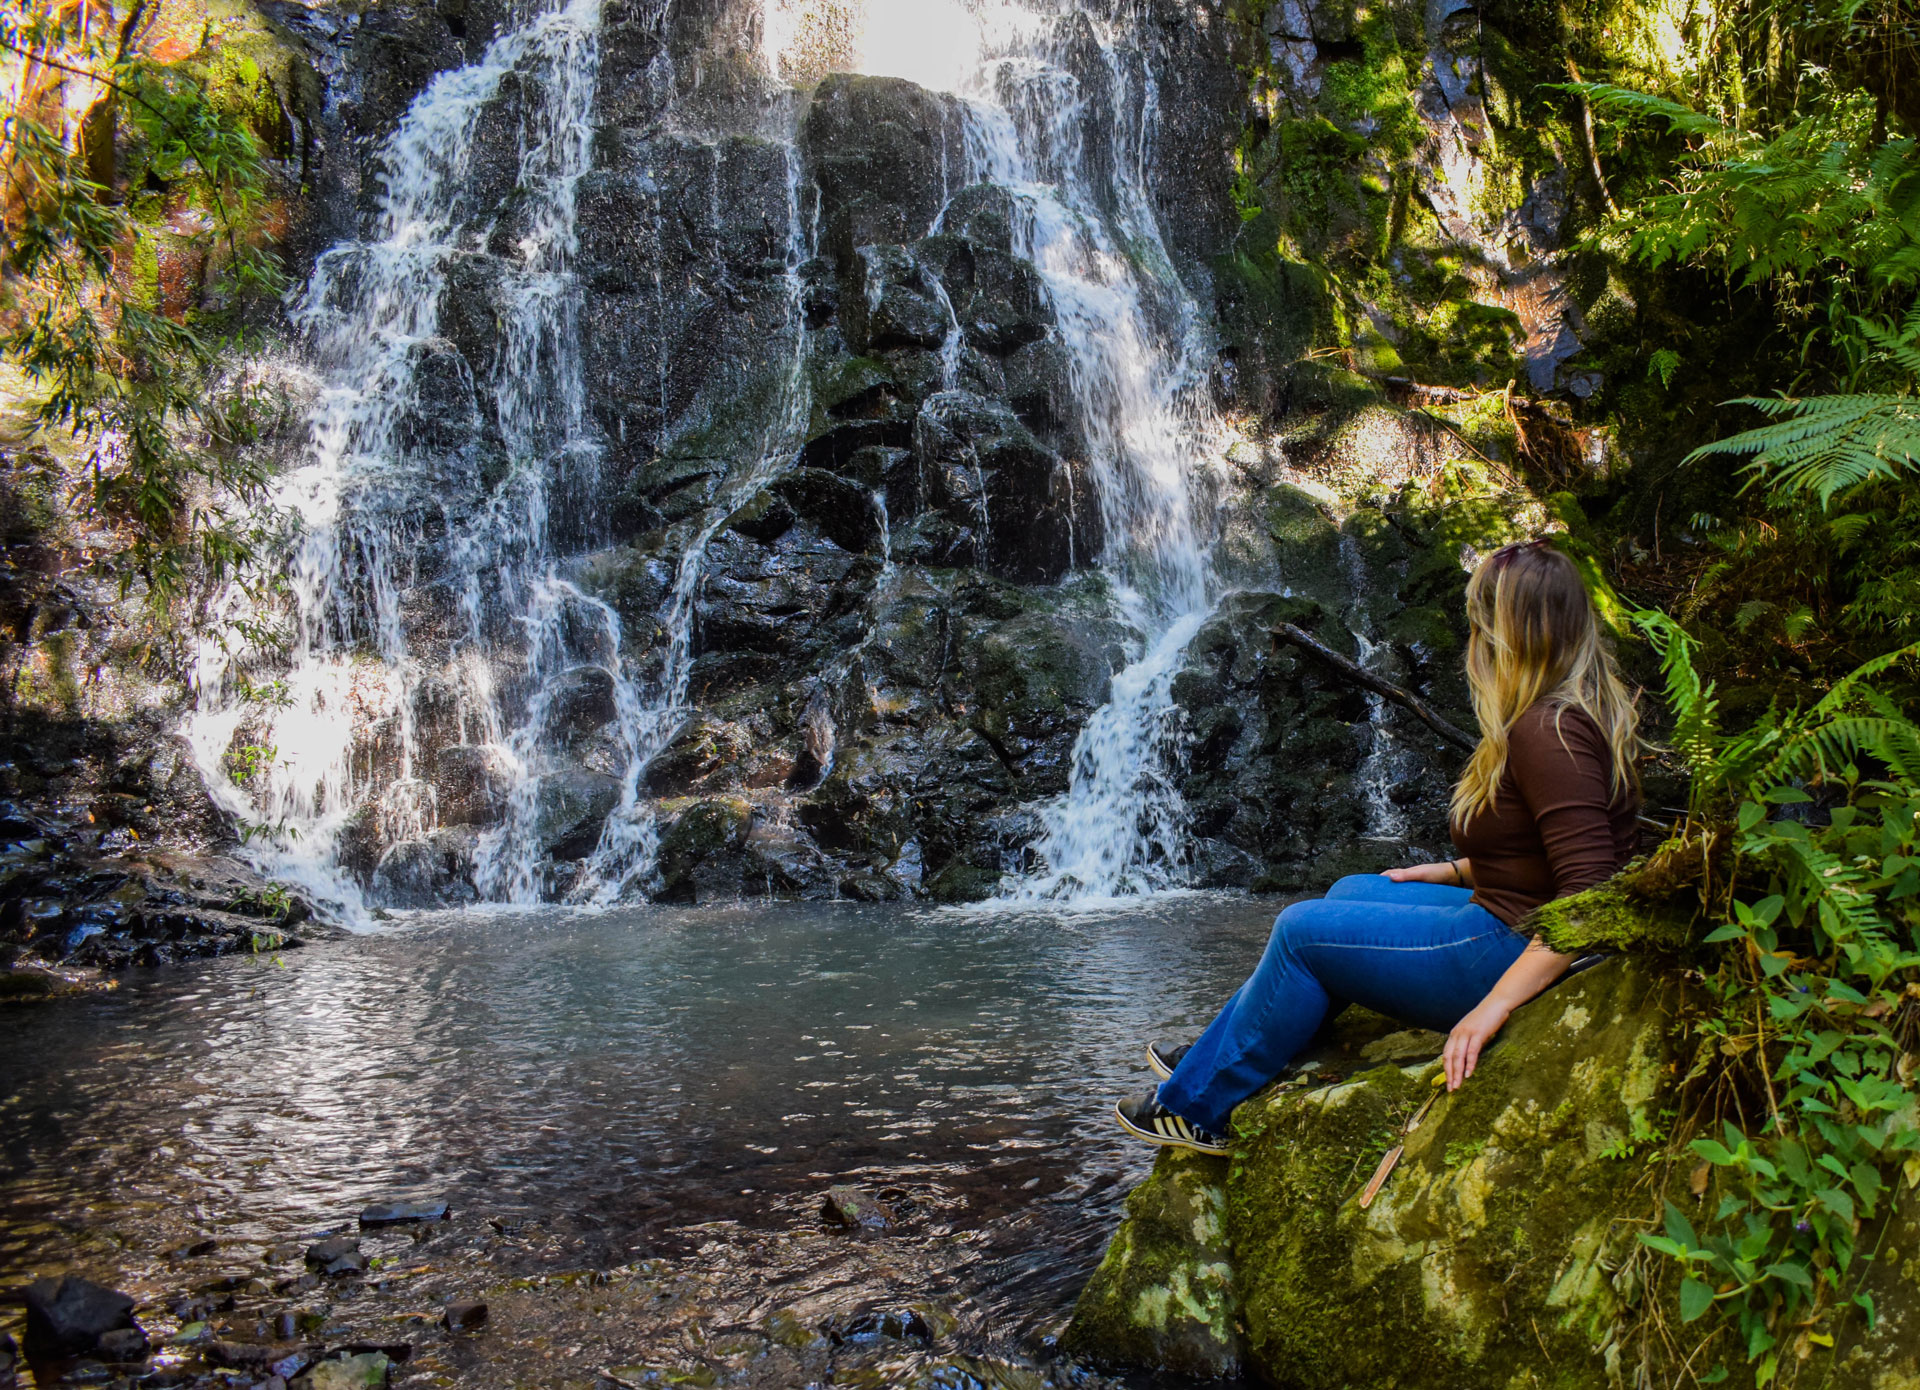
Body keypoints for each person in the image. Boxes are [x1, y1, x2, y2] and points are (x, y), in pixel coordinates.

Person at [1115, 540, 1643, 1154]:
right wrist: (1447, 870)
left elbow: (1588, 892)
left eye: (1478, 623)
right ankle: (1239, 1041)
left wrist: (1495, 1007)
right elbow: (1548, 846)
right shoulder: (1563, 712)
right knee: (1354, 891)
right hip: (1506, 917)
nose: (1469, 640)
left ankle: (1196, 1106)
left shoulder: (1547, 732)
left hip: (1511, 948)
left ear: (1509, 636)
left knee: (1302, 930)